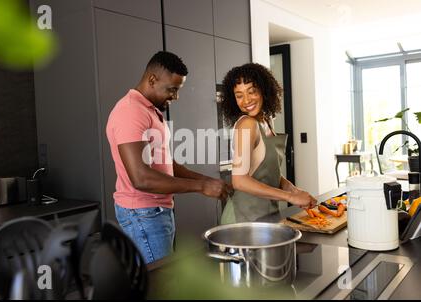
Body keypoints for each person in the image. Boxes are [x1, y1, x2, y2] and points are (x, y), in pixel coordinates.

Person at [106, 51, 231, 264]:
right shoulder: (130, 112)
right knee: (160, 285)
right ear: (152, 80)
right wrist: (201, 187)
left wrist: (205, 181)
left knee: (158, 280)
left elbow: (167, 164)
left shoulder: (149, 110)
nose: (176, 96)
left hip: (155, 211)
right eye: (172, 89)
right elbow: (141, 177)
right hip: (143, 214)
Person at [220, 63, 317, 224]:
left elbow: (268, 172)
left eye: (251, 92)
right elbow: (239, 180)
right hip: (244, 218)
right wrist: (290, 197)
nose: (246, 100)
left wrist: (293, 189)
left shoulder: (266, 122)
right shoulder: (247, 124)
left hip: (265, 214)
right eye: (239, 95)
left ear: (263, 90)